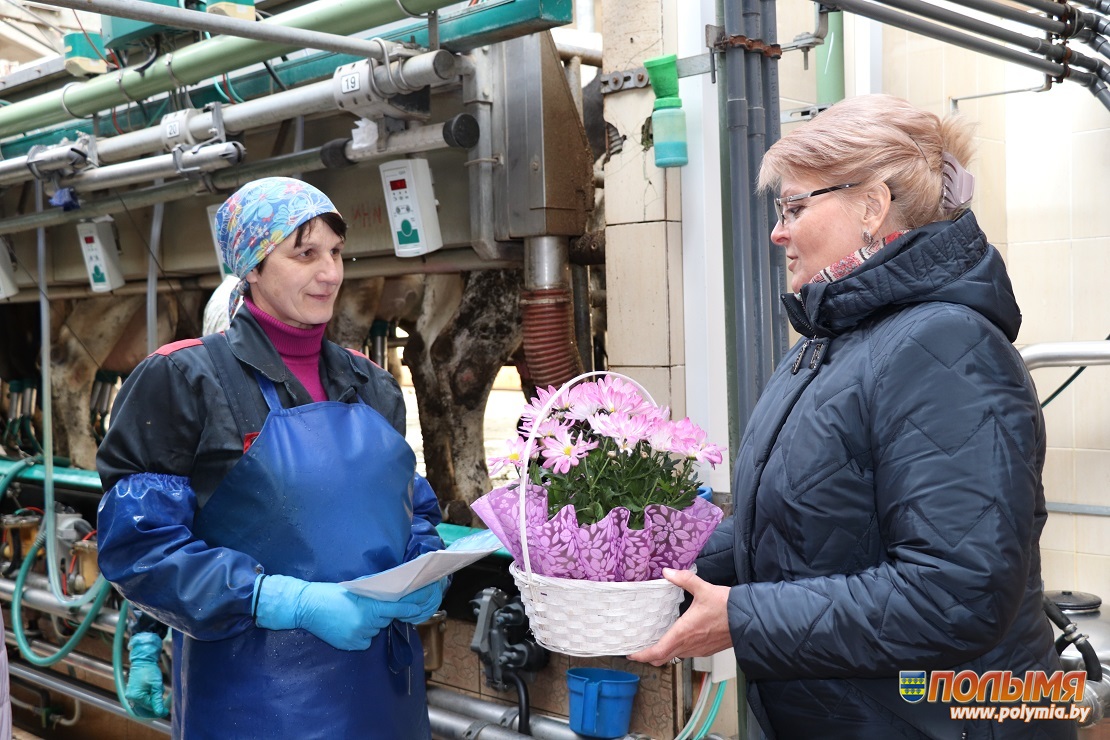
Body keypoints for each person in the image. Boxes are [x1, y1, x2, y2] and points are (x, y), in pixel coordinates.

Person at [629, 95, 1075, 739]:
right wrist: (662, 571)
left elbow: (955, 594)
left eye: (794, 206)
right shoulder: (833, 340)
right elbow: (788, 521)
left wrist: (744, 618)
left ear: (871, 206)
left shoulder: (945, 346)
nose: (778, 232)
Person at [96, 177, 447, 739]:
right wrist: (283, 600)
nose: (330, 272)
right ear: (252, 267)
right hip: (255, 703)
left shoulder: (373, 385)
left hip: (385, 699)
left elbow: (414, 508)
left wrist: (426, 562)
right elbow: (138, 546)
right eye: (304, 253)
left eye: (335, 252)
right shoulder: (185, 379)